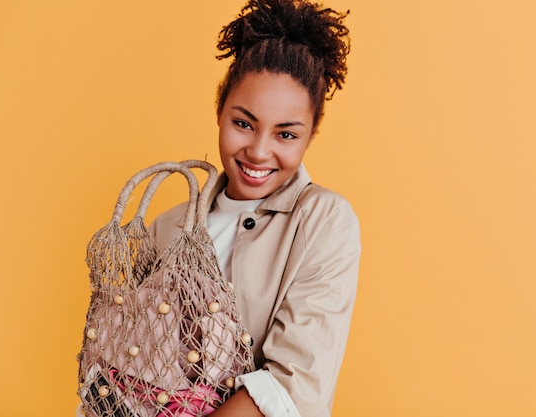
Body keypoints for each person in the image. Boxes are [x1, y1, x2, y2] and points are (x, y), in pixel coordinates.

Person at [78, 1, 359, 416]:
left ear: (310, 135)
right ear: (219, 110)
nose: (259, 151)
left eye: (286, 134)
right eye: (243, 123)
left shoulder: (321, 222)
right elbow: (131, 362)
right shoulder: (167, 226)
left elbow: (292, 384)